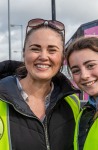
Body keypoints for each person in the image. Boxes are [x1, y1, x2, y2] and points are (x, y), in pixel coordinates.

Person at [0, 18, 80, 150]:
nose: (43, 56)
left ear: (62, 58)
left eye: (52, 50)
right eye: (35, 49)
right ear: (24, 54)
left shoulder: (71, 102)